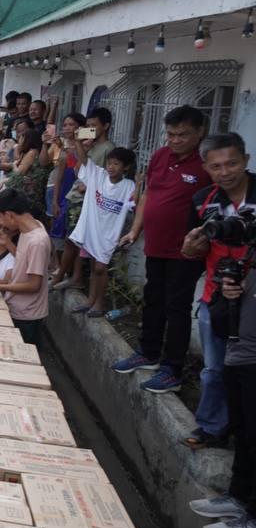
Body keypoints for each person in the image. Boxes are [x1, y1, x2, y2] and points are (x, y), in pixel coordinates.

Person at [111, 106, 211, 393]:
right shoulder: (159, 156)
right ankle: (148, 352)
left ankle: (172, 369)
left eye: (183, 135)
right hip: (156, 245)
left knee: (176, 307)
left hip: (186, 252)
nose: (176, 140)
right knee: (153, 298)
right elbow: (149, 196)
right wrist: (135, 230)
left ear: (200, 132)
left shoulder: (206, 163)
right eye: (171, 134)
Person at [180, 132, 256, 448]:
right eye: (216, 166)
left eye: (232, 163)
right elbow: (195, 250)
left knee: (247, 374)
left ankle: (244, 434)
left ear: (246, 161)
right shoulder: (203, 200)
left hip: (252, 302)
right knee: (214, 370)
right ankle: (212, 427)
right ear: (207, 168)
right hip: (216, 297)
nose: (225, 172)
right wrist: (188, 250)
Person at [190, 264, 256, 528]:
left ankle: (253, 519)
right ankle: (238, 497)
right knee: (243, 433)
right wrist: (231, 293)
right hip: (239, 355)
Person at [64, 133, 137, 318]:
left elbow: (135, 204)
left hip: (109, 234)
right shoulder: (98, 176)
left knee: (100, 268)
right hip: (92, 231)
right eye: (109, 163)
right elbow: (83, 159)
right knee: (92, 265)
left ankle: (99, 303)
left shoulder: (129, 186)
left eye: (116, 164)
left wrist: (143, 183)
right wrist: (79, 140)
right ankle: (89, 301)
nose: (111, 167)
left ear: (126, 167)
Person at [0, 188, 49, 344]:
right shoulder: (32, 227)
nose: (0, 222)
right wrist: (7, 243)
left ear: (9, 214)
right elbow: (24, 260)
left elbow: (34, 285)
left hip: (27, 313)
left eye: (0, 216)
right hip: (17, 306)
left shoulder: (37, 241)